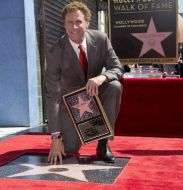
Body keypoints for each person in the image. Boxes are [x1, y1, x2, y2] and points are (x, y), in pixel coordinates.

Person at [45, 1, 124, 165]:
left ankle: (103, 144)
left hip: (94, 91)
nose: (74, 27)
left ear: (87, 22)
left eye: (78, 21)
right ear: (64, 24)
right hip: (72, 102)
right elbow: (52, 95)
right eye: (69, 22)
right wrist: (55, 136)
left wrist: (102, 77)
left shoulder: (101, 40)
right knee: (70, 149)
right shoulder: (55, 52)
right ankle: (70, 136)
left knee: (115, 86)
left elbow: (117, 68)